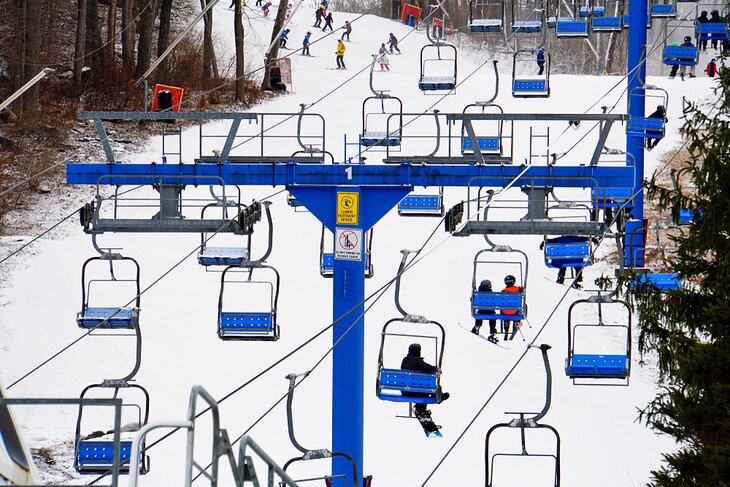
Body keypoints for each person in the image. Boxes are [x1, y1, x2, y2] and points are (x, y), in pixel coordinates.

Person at [400, 343, 449, 417]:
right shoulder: (418, 362)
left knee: (423, 386)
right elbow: (428, 368)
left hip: (405, 391)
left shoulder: (405, 361)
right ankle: (422, 409)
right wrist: (436, 369)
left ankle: (420, 407)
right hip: (417, 391)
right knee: (427, 387)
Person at [471, 279, 498, 343]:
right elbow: (497, 302)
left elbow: (472, 300)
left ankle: (477, 326)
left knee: (479, 314)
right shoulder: (492, 294)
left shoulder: (477, 294)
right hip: (490, 312)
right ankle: (492, 329)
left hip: (481, 311)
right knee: (493, 315)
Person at [500, 275, 523, 340]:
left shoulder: (503, 291)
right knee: (519, 310)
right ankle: (515, 325)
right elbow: (523, 289)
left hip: (505, 312)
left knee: (505, 309)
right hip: (515, 311)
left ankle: (506, 328)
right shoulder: (518, 289)